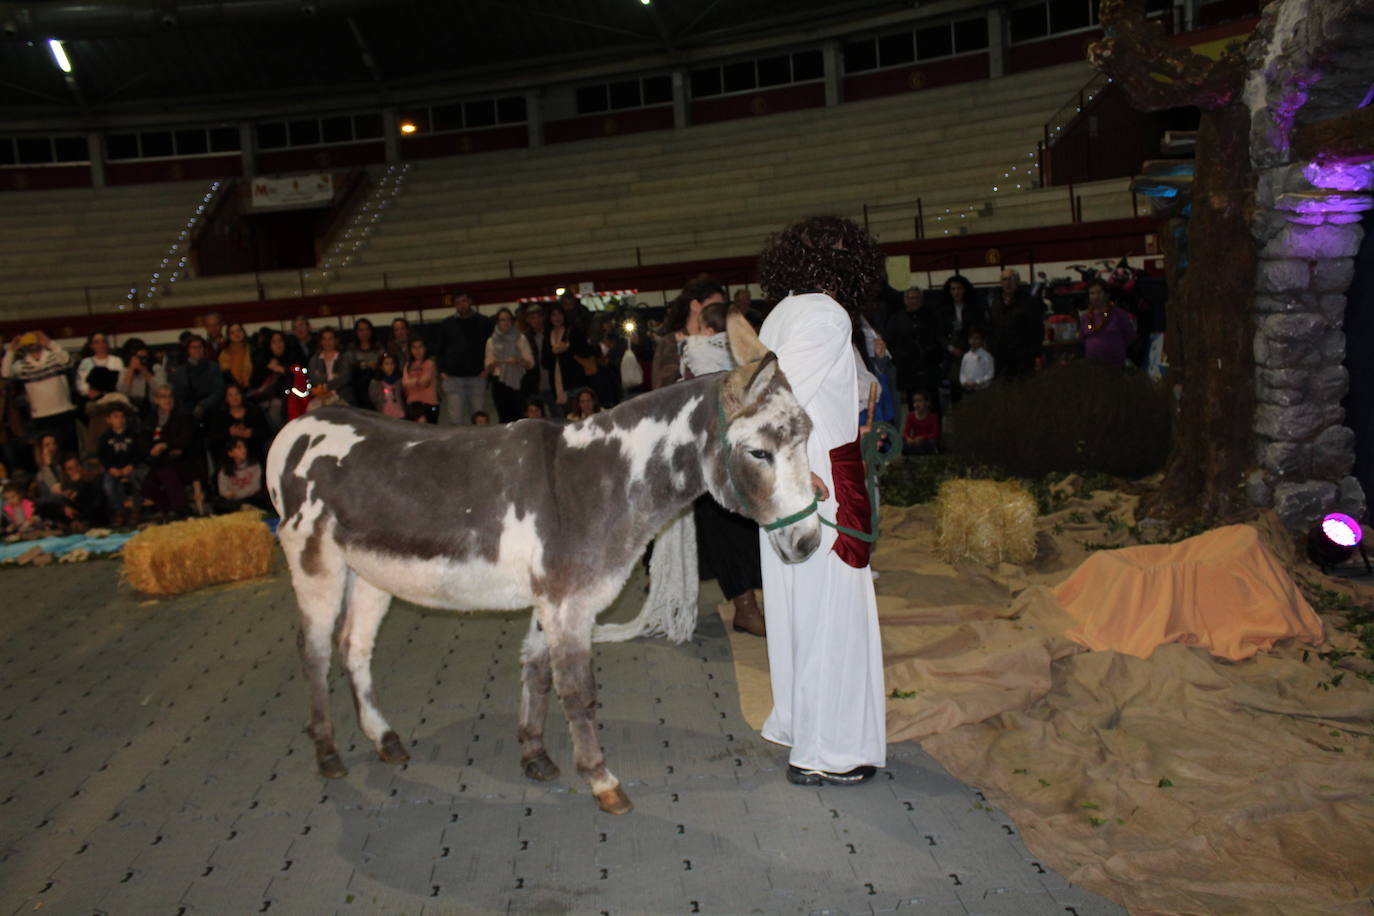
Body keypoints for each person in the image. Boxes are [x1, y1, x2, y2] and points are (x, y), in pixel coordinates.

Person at [755, 215, 886, 787]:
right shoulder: (829, 314)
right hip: (820, 481)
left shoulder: (783, 310)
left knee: (796, 613)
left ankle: (801, 727)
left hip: (784, 483)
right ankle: (830, 750)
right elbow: (774, 401)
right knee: (834, 615)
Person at [4, 331, 77, 453]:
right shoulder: (21, 366)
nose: (32, 344)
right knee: (47, 452)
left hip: (63, 410)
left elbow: (68, 361)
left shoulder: (54, 357)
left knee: (70, 450)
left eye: (34, 340)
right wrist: (11, 350)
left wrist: (49, 343)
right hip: (41, 416)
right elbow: (5, 374)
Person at [651, 277, 726, 390]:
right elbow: (664, 388)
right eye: (714, 306)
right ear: (695, 305)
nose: (719, 312)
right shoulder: (671, 342)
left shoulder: (722, 341)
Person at [142, 383, 204, 518]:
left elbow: (184, 441)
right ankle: (169, 510)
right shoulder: (150, 419)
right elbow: (145, 443)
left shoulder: (183, 417)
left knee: (166, 472)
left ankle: (182, 510)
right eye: (163, 396)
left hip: (184, 462)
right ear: (156, 399)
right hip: (158, 462)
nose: (167, 400)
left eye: (170, 396)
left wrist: (165, 446)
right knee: (148, 484)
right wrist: (156, 450)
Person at [437, 288, 492, 425]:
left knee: (479, 420)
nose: (462, 305)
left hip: (477, 377)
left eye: (464, 301)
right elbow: (440, 350)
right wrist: (442, 371)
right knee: (455, 421)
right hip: (453, 378)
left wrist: (488, 370)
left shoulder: (484, 322)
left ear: (470, 302)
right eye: (458, 302)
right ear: (454, 305)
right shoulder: (446, 324)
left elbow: (491, 348)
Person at [989, 268, 1042, 380]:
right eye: (1004, 279)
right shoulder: (996, 302)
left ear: (1017, 281)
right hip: (1001, 357)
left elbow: (1037, 330)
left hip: (1022, 357)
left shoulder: (1028, 302)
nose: (1007, 283)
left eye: (1011, 279)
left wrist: (1036, 353)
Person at [484, 307, 535, 423]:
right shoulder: (491, 341)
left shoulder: (520, 338)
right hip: (500, 383)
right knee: (504, 419)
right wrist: (494, 363)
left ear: (512, 321)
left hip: (519, 382)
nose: (506, 323)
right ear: (497, 322)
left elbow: (530, 363)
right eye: (502, 320)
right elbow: (488, 367)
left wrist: (518, 361)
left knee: (521, 418)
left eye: (508, 319)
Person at [99, 404, 145, 527]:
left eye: (121, 417)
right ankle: (119, 511)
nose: (119, 420)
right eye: (115, 417)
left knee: (136, 481)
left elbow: (139, 453)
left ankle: (136, 509)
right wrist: (110, 468)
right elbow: (102, 456)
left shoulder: (133, 435)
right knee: (108, 485)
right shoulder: (105, 438)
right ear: (109, 420)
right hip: (113, 470)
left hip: (130, 468)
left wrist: (130, 466)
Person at [542, 302, 591, 414]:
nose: (557, 317)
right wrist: (553, 352)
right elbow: (545, 362)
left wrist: (568, 347)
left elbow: (586, 351)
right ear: (549, 318)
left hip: (577, 381)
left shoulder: (573, 331)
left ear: (564, 316)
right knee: (565, 418)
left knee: (580, 415)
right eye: (553, 315)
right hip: (558, 384)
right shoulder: (547, 335)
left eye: (560, 314)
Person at [1079, 279, 1138, 367]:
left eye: (1099, 292)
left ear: (1107, 295)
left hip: (1115, 366)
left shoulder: (1119, 314)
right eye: (1092, 293)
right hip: (1093, 366)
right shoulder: (1085, 317)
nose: (1096, 296)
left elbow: (1130, 337)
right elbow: (1082, 339)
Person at [208, 382, 271, 463]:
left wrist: (252, 433)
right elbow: (213, 439)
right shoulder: (220, 416)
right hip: (229, 460)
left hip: (255, 456)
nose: (235, 398)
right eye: (230, 395)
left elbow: (266, 431)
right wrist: (229, 433)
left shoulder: (254, 411)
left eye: (237, 394)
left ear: (242, 395)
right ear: (226, 399)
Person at [170, 335, 225, 426]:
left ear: (204, 349)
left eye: (200, 347)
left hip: (211, 409)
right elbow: (177, 395)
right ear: (188, 350)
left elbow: (219, 391)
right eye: (193, 347)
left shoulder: (213, 367)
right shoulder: (179, 372)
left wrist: (202, 405)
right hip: (187, 413)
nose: (197, 350)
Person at [247, 331, 291, 431]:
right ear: (269, 345)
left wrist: (282, 370)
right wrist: (269, 369)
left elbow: (298, 377)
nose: (278, 345)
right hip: (264, 399)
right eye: (274, 342)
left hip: (287, 398)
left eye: (280, 341)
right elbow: (255, 384)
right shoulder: (262, 361)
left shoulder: (292, 357)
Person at [214, 437, 269, 513]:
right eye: (239, 448)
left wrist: (236, 494)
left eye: (244, 447)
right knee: (218, 501)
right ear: (230, 453)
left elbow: (255, 487)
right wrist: (231, 496)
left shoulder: (254, 465)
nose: (244, 450)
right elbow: (223, 491)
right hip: (235, 501)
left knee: (264, 496)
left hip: (252, 498)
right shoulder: (224, 471)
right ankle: (243, 507)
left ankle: (247, 507)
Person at [519, 305, 555, 416]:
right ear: (528, 320)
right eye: (532, 318)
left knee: (558, 416)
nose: (536, 320)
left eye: (538, 317)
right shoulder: (524, 338)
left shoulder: (552, 333)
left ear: (543, 318)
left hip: (552, 383)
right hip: (534, 385)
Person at [306, 327, 355, 407]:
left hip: (341, 396)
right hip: (320, 396)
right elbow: (314, 379)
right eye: (324, 339)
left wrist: (326, 385)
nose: (327, 342)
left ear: (335, 340)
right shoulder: (314, 359)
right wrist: (331, 376)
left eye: (330, 339)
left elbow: (344, 378)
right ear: (321, 341)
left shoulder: (344, 357)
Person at [117, 338, 164, 422]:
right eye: (138, 357)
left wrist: (144, 371)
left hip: (152, 409)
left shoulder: (156, 368)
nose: (141, 360)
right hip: (131, 410)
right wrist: (131, 370)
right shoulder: (125, 371)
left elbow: (161, 389)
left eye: (143, 357)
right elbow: (122, 393)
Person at [403, 337, 440, 423]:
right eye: (414, 347)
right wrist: (417, 381)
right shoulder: (408, 365)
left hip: (430, 404)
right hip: (414, 404)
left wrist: (412, 381)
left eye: (420, 347)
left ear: (425, 348)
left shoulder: (429, 363)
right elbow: (404, 383)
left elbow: (424, 382)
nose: (417, 350)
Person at [349, 318, 383, 408]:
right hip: (358, 384)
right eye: (361, 330)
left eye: (367, 329)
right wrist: (365, 365)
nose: (364, 333)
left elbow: (383, 363)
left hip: (376, 381)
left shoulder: (378, 347)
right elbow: (350, 365)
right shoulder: (352, 348)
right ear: (356, 332)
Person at [369, 352, 407, 419]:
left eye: (392, 363)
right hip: (384, 415)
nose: (390, 366)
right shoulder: (376, 382)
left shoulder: (399, 380)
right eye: (386, 364)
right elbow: (374, 399)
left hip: (400, 414)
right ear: (381, 366)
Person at [902, 390, 940, 455]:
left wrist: (924, 438)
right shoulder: (910, 415)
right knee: (903, 442)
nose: (916, 404)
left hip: (926, 442)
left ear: (927, 403)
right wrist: (908, 438)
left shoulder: (932, 417)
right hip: (915, 442)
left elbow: (935, 433)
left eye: (919, 401)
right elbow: (906, 432)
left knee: (932, 441)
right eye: (914, 401)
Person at [217, 322, 254, 388]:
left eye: (239, 330)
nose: (237, 334)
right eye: (232, 332)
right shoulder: (224, 353)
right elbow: (226, 376)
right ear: (228, 336)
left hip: (252, 388)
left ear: (243, 332)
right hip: (232, 390)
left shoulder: (252, 349)